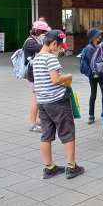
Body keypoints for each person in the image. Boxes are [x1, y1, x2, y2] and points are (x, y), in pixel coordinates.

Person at [32, 30, 84, 179]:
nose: (60, 49)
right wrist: (68, 76)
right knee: (68, 132)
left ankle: (49, 168)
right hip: (57, 101)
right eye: (60, 46)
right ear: (54, 43)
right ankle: (71, 167)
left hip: (43, 102)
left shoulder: (37, 58)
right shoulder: (50, 58)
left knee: (46, 135)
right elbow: (55, 79)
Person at [24, 20, 50, 132]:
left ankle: (39, 121)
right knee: (36, 99)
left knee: (39, 98)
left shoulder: (35, 39)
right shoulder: (30, 42)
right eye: (43, 32)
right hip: (33, 74)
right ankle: (33, 124)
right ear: (37, 31)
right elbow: (44, 48)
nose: (44, 34)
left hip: (37, 73)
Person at [80, 28, 103, 125]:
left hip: (99, 74)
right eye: (98, 35)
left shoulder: (97, 46)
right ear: (93, 37)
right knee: (93, 95)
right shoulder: (89, 49)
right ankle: (91, 115)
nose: (100, 36)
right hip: (93, 75)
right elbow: (94, 62)